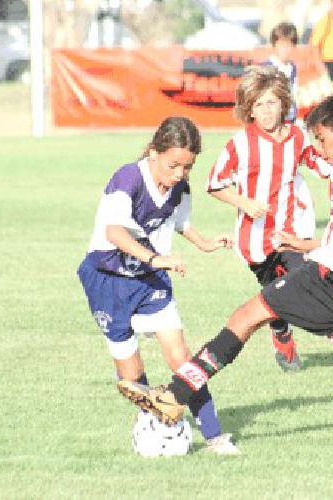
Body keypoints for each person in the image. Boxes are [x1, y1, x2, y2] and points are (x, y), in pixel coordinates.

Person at [119, 95, 333, 449]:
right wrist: (303, 245)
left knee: (249, 314)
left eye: (323, 140)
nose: (320, 150)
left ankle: (175, 395)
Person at [77, 116, 241, 455]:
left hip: (150, 281)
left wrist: (206, 243)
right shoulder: (127, 179)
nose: (180, 173)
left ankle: (214, 436)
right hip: (107, 281)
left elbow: (181, 224)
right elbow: (114, 233)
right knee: (131, 375)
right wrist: (155, 259)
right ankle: (152, 423)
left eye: (188, 167)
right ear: (154, 152)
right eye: (173, 164)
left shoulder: (180, 188)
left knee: (182, 359)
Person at [205, 65, 333, 381]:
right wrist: (245, 203)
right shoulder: (240, 145)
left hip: (292, 235)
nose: (265, 112)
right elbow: (214, 183)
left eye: (270, 103)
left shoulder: (295, 136)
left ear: (283, 103)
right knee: (275, 298)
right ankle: (281, 334)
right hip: (255, 241)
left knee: (314, 284)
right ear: (249, 110)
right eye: (258, 106)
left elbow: (321, 164)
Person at [264, 22, 301, 124]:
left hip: (289, 117)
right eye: (282, 45)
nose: (285, 50)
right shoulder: (267, 68)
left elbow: (293, 92)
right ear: (274, 45)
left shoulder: (292, 68)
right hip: (272, 119)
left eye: (289, 45)